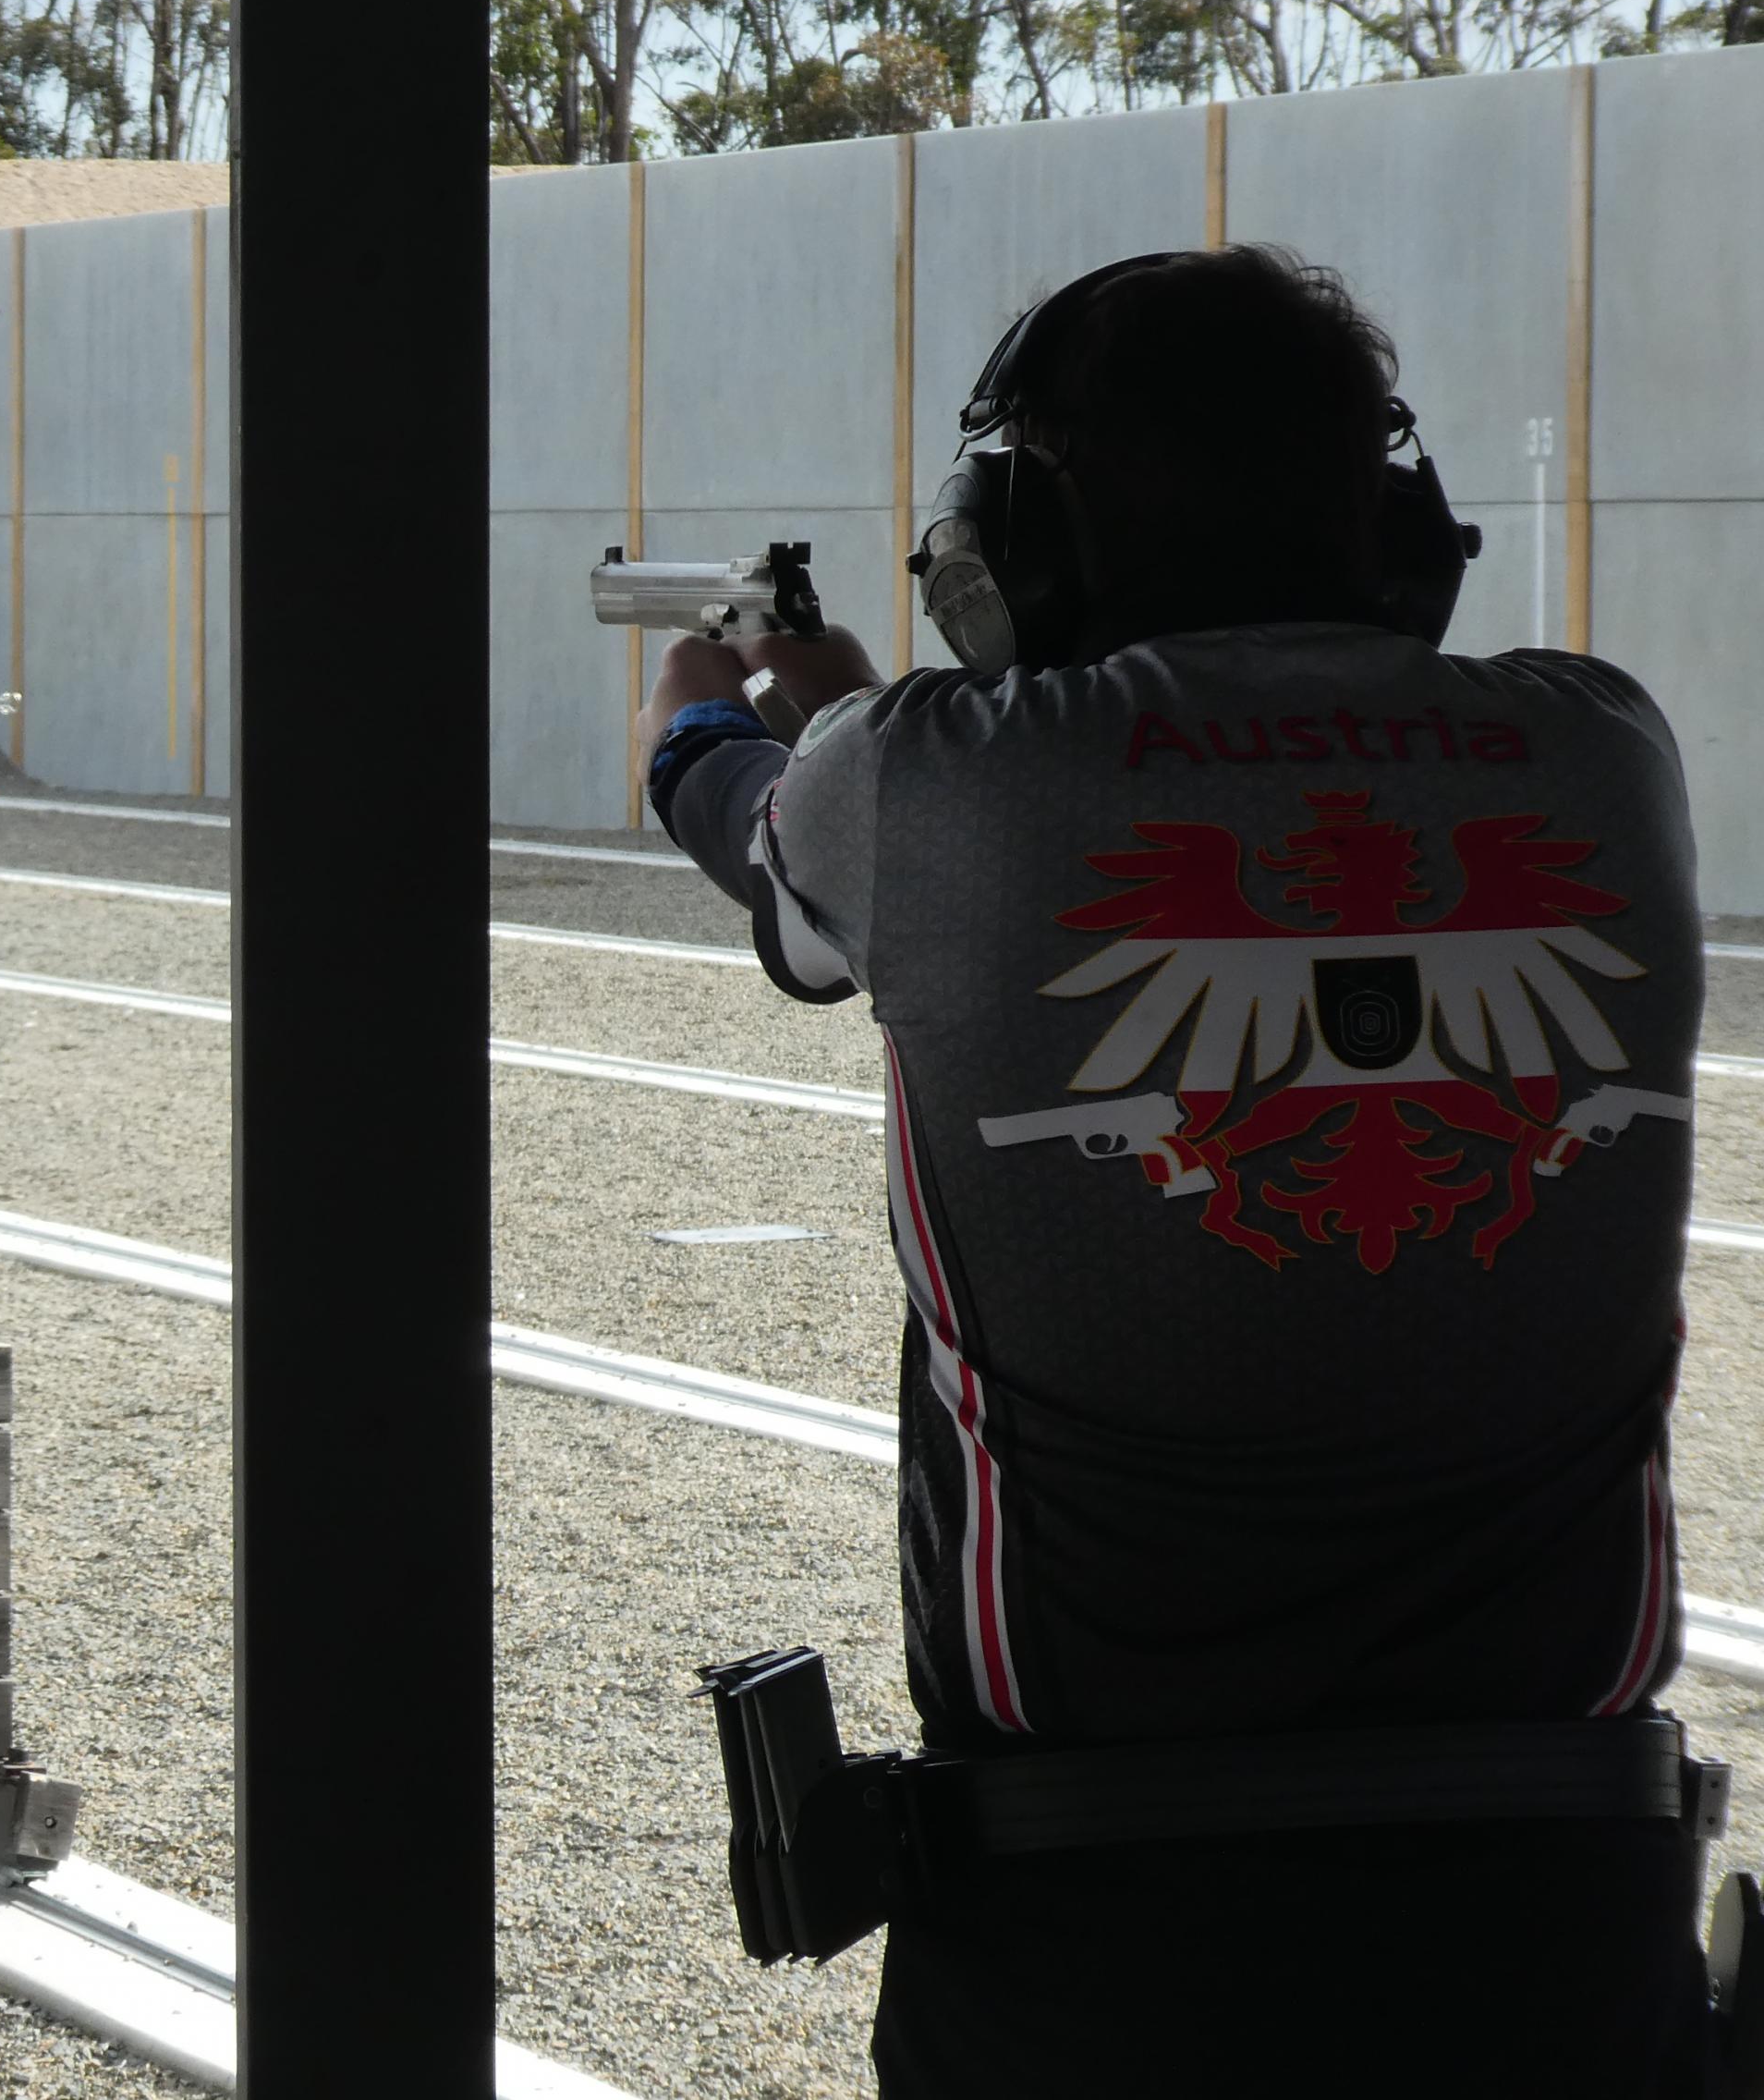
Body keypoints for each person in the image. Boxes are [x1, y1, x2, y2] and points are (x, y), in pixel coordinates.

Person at [637, 245, 1717, 2095]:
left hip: (1096, 1931)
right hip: (1567, 1919)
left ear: (1013, 551)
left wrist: (716, 698)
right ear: (1397, 526)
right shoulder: (1601, 744)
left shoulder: (918, 776)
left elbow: (740, 810)